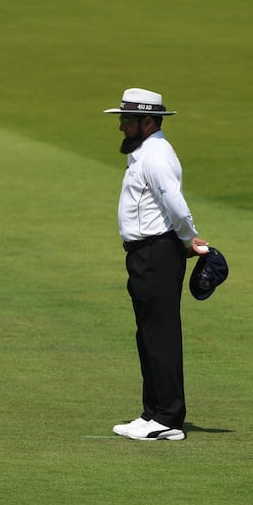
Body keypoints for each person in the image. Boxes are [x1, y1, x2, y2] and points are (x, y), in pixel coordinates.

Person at [104, 88, 210, 441]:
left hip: (158, 253)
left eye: (126, 120)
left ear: (147, 122)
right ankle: (153, 413)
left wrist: (188, 238)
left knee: (160, 334)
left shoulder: (156, 156)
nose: (121, 127)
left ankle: (168, 418)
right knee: (147, 333)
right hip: (144, 254)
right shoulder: (145, 153)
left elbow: (173, 202)